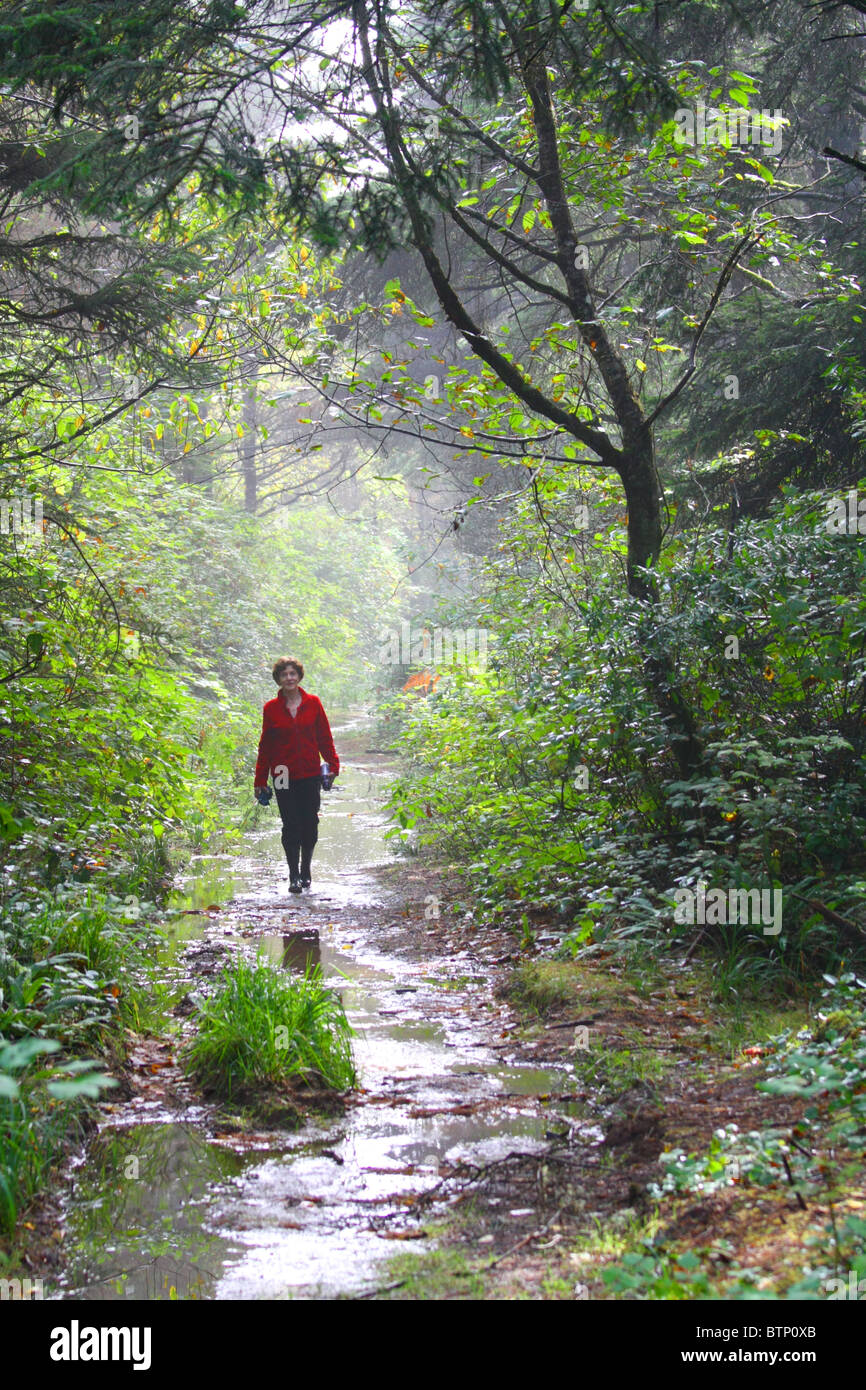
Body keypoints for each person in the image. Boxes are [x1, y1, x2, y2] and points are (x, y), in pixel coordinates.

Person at [254, 657, 340, 893]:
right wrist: (260, 780)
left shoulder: (313, 703)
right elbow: (266, 746)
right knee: (290, 824)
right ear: (279, 680)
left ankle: (306, 868)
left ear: (299, 677)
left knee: (310, 823)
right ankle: (293, 874)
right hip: (281, 773)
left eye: (293, 674)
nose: (289, 678)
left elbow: (325, 737)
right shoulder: (271, 709)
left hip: (310, 772)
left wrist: (333, 765)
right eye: (284, 675)